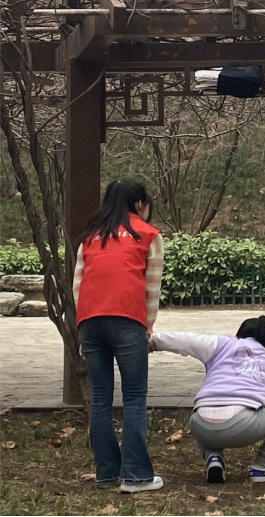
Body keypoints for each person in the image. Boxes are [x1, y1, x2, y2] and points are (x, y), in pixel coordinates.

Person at [73, 180, 164, 493]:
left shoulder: (90, 237)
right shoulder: (148, 235)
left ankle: (106, 473)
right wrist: (148, 326)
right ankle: (136, 476)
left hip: (90, 321)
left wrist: (82, 331)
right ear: (139, 204)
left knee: (101, 397)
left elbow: (78, 285)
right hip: (127, 317)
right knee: (134, 396)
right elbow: (152, 286)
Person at [149, 315, 265, 484]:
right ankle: (263, 467)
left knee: (207, 406)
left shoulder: (222, 344)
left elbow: (186, 340)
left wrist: (153, 340)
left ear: (238, 335)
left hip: (200, 426)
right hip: (241, 427)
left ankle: (214, 458)